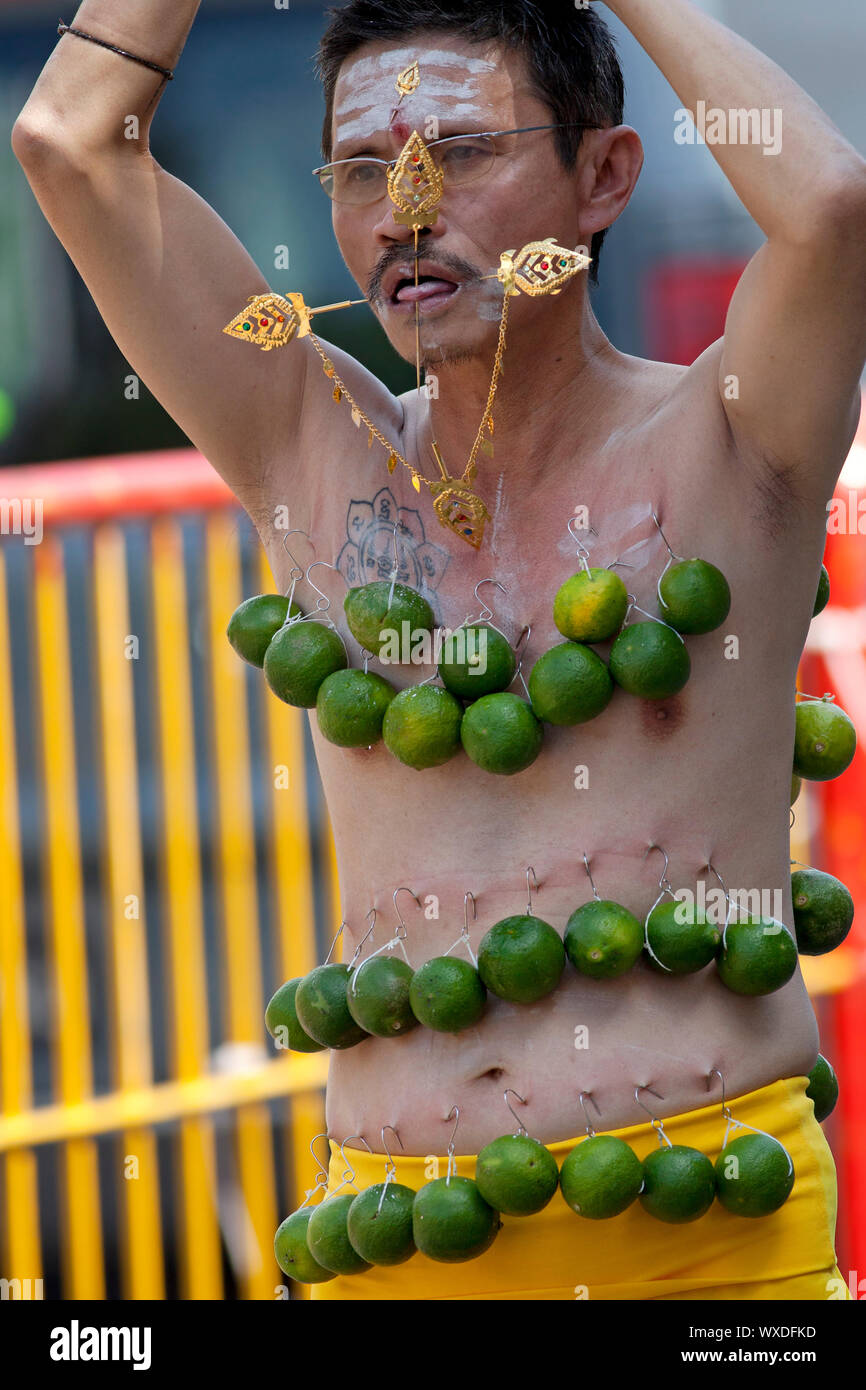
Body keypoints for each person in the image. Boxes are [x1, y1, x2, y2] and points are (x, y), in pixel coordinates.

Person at [13, 0, 865, 1301]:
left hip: (711, 1248)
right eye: (360, 170)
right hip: (391, 1243)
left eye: (462, 153)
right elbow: (69, 142)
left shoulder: (734, 442)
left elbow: (830, 213)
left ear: (602, 178)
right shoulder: (310, 439)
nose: (404, 210)